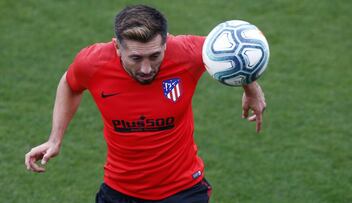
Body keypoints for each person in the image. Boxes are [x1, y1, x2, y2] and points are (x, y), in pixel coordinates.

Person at [24, 4, 266, 203]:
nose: (147, 68)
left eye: (155, 56)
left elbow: (231, 51)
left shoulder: (186, 51)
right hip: (119, 191)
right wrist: (55, 138)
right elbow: (70, 83)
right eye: (136, 58)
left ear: (165, 44)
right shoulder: (93, 62)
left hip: (184, 190)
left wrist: (250, 87)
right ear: (117, 47)